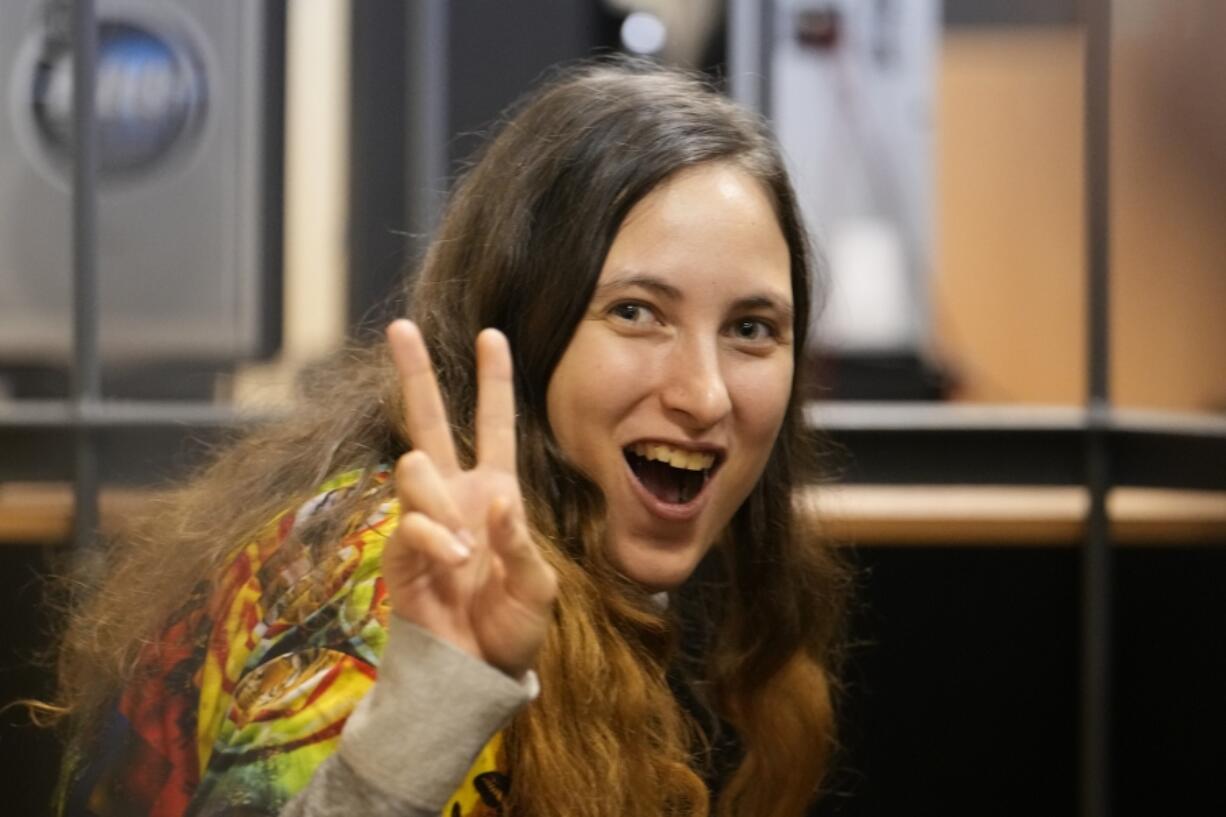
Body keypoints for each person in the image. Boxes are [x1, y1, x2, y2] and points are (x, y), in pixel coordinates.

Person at [48, 58, 849, 817]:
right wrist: (429, 705)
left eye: (751, 327)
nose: (704, 394)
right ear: (522, 324)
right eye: (636, 311)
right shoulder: (395, 573)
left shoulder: (575, 567)